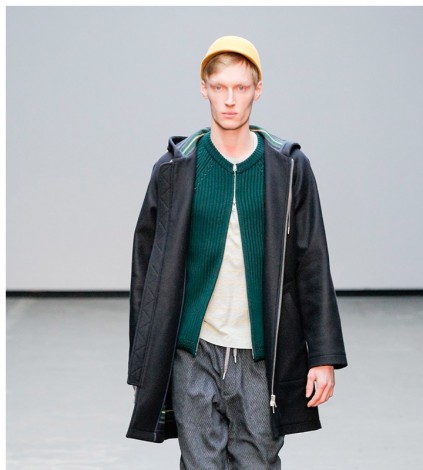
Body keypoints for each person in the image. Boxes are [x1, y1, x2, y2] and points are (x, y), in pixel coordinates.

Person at [126, 35, 348, 469]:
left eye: (241, 88)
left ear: (257, 90)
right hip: (194, 347)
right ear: (204, 89)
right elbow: (146, 270)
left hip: (262, 351)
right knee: (199, 463)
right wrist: (143, 362)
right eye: (220, 87)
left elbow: (312, 260)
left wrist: (323, 356)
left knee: (258, 461)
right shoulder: (175, 169)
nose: (230, 100)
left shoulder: (287, 168)